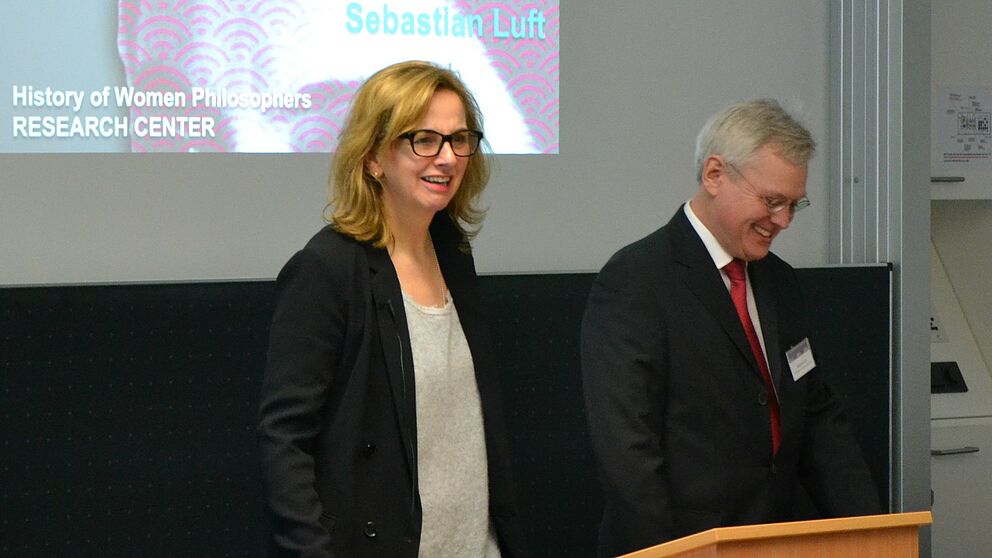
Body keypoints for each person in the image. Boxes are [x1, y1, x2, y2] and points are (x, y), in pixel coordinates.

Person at [580, 99, 881, 557]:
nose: (782, 221)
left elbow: (815, 415)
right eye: (771, 201)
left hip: (770, 542)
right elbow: (628, 455)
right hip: (680, 547)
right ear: (715, 175)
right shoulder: (635, 281)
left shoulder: (780, 281)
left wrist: (874, 535)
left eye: (793, 204)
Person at [257, 60, 529, 558]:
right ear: (372, 158)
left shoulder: (453, 254)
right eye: (423, 139)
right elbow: (285, 440)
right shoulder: (327, 270)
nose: (447, 158)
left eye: (459, 139)